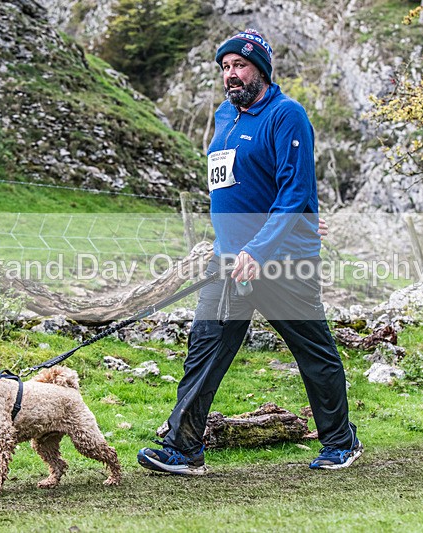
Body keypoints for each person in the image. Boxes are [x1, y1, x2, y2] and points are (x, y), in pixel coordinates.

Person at [137, 29, 361, 475]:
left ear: (261, 69)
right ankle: (184, 449)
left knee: (312, 350)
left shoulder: (287, 115)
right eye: (224, 67)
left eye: (239, 65)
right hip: (229, 262)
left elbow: (294, 192)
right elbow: (236, 187)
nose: (231, 75)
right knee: (205, 346)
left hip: (283, 262)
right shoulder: (225, 117)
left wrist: (261, 247)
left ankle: (340, 442)